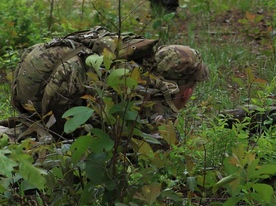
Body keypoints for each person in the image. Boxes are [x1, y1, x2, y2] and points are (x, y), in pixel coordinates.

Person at [2, 27, 209, 143]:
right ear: (187, 92)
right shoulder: (147, 104)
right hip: (58, 123)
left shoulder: (130, 66)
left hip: (33, 96)